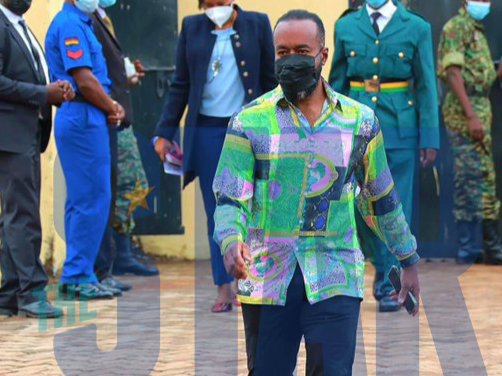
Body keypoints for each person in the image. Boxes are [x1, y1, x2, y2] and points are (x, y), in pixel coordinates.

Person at [213, 10, 420, 375]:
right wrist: (231, 240)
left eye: (301, 50)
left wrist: (407, 259)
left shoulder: (359, 122)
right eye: (281, 52)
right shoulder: (249, 121)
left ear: (323, 55)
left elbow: (381, 198)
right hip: (267, 280)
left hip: (335, 275)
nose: (290, 59)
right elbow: (231, 196)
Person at [153, 0, 276, 313]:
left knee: (255, 207)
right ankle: (224, 285)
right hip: (207, 131)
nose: (214, 6)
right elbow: (180, 84)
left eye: (220, 2)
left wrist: (285, 126)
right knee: (218, 209)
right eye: (208, 2)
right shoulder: (191, 27)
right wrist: (165, 131)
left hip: (250, 128)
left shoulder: (257, 24)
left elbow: (271, 79)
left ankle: (249, 281)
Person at [329, 0, 439, 312]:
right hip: (355, 126)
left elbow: (427, 85)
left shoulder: (417, 27)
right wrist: (326, 131)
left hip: (399, 127)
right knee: (355, 202)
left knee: (394, 203)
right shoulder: (346, 25)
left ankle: (386, 283)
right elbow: (336, 83)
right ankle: (380, 263)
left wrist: (429, 136)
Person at [45, 0, 126, 300]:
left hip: (87, 114)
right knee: (91, 197)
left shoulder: (82, 23)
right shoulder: (70, 25)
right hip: (82, 114)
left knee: (87, 197)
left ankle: (81, 272)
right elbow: (85, 80)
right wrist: (111, 105)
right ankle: (78, 275)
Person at [0, 0, 74, 318]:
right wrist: (43, 93)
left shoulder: (20, 26)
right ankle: (31, 293)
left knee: (15, 215)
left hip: (27, 133)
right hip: (11, 134)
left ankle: (11, 292)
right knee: (24, 215)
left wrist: (54, 88)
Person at [91, 0, 157, 291]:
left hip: (119, 113)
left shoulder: (102, 18)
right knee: (121, 186)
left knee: (131, 185)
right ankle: (117, 255)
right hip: (108, 115)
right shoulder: (85, 20)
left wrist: (126, 74)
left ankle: (122, 250)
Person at [438, 0, 502, 265]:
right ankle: (470, 248)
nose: (485, 3)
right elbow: (452, 73)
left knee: (484, 175)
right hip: (465, 114)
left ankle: (487, 246)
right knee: (469, 178)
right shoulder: (457, 26)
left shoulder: (477, 29)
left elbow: (480, 74)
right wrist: (471, 115)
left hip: (481, 108)